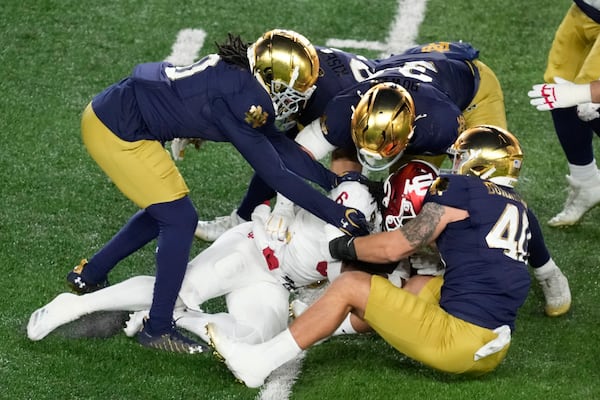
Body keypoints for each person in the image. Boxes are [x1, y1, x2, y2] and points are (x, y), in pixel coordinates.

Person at [65, 29, 371, 354]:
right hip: (118, 130)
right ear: (272, 81)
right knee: (179, 219)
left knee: (166, 212)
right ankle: (158, 327)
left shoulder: (247, 82)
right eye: (294, 90)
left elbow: (281, 146)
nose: (296, 99)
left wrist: (332, 180)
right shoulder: (245, 100)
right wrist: (336, 214)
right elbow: (276, 175)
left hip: (123, 115)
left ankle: (91, 273)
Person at [206, 125, 566, 388]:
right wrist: (556, 301)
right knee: (422, 283)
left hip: (458, 343)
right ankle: (333, 324)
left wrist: (343, 247)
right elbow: (547, 272)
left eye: (460, 159)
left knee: (350, 285)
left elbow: (399, 246)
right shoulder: (522, 209)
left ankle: (257, 363)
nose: (454, 165)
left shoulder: (463, 189)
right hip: (493, 348)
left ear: (478, 164)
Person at [27, 170, 385, 345]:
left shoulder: (387, 234)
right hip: (253, 247)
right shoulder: (360, 194)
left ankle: (177, 321)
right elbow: (334, 236)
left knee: (255, 339)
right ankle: (72, 307)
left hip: (276, 282)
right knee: (177, 290)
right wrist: (285, 207)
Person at [195, 41, 507, 241]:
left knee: (477, 188)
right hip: (402, 75)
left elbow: (473, 175)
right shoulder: (343, 104)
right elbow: (300, 150)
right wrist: (286, 207)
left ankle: (531, 264)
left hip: (469, 86)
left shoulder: (441, 125)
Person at [527, 1, 600, 226]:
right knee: (558, 88)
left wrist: (584, 92)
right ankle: (586, 181)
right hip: (586, 9)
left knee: (589, 102)